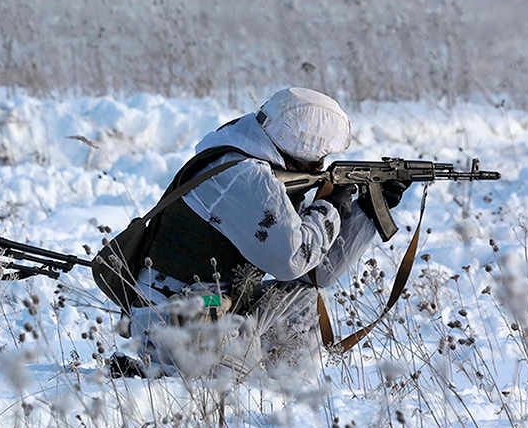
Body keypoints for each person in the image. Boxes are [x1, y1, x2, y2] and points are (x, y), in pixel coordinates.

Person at [119, 87, 409, 379]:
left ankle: (290, 396)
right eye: (318, 158)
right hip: (182, 317)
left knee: (302, 295)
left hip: (199, 307)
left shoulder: (242, 159)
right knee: (237, 392)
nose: (321, 164)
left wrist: (368, 212)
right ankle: (186, 378)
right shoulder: (247, 177)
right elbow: (292, 261)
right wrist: (329, 208)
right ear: (301, 149)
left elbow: (314, 274)